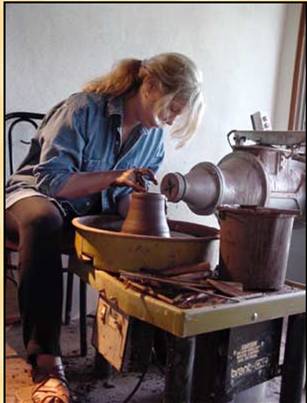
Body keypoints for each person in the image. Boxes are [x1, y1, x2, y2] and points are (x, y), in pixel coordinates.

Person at [5, 52, 204, 402]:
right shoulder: (83, 108)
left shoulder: (152, 137)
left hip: (85, 211)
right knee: (44, 219)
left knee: (151, 235)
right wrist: (116, 177)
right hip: (30, 197)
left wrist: (148, 217)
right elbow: (53, 182)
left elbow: (125, 197)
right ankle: (47, 361)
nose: (172, 120)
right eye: (173, 108)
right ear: (152, 86)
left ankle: (149, 347)